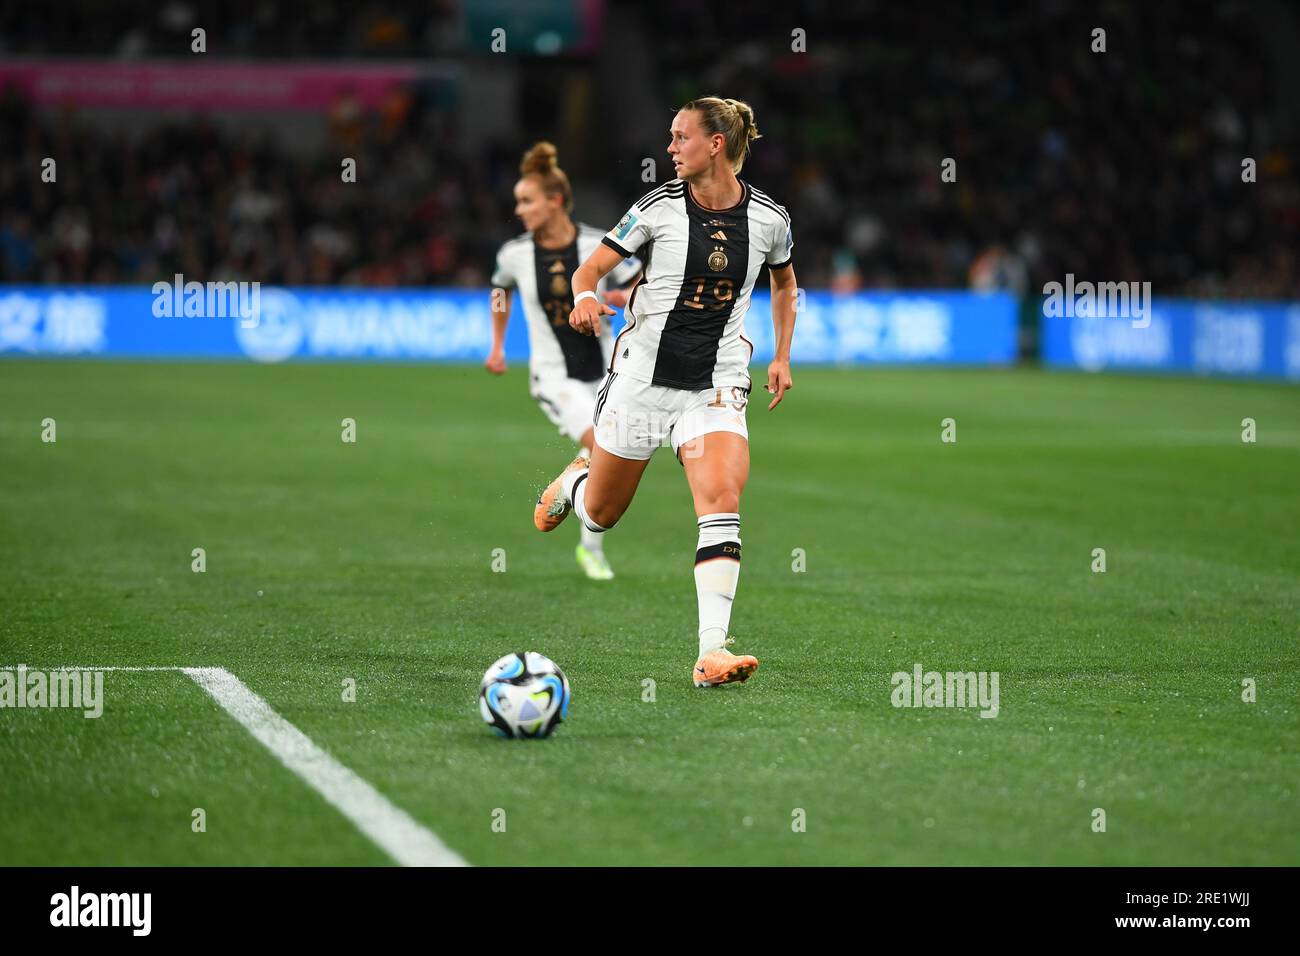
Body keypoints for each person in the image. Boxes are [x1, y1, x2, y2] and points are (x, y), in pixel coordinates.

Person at [532, 97, 797, 687]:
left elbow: (784, 282)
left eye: (680, 138)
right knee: (601, 516)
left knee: (721, 498)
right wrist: (583, 299)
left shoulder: (771, 219)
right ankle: (578, 481)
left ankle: (712, 652)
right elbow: (588, 271)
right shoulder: (656, 208)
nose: (670, 149)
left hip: (716, 384)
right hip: (642, 383)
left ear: (716, 145)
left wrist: (780, 354)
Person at [487, 141, 640, 579]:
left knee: (611, 453)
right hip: (555, 376)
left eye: (527, 200)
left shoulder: (597, 245)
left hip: (609, 371)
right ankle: (574, 492)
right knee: (602, 446)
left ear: (555, 201)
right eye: (518, 201)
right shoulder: (514, 254)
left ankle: (589, 543)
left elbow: (638, 286)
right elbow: (500, 293)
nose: (520, 210)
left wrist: (620, 296)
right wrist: (497, 346)